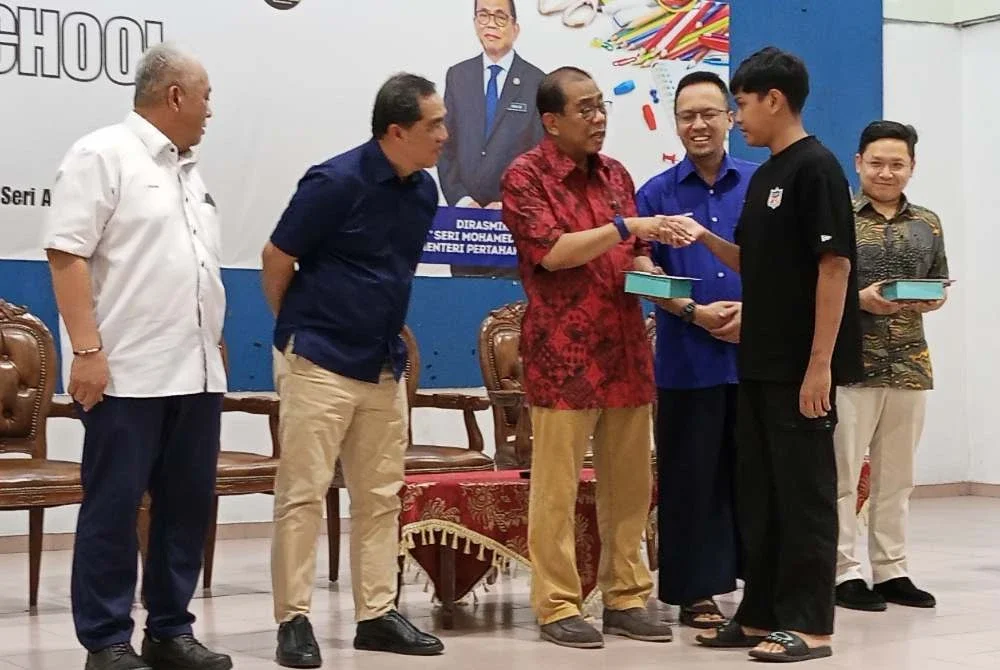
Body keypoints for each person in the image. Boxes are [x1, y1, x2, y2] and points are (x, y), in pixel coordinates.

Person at [661, 47, 863, 663]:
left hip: (801, 367)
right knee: (761, 493)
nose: (735, 117)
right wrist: (704, 238)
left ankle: (810, 625)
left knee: (803, 495)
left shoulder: (816, 168)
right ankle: (760, 614)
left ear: (773, 100)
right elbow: (759, 264)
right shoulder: (768, 175)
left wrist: (820, 365)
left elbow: (835, 266)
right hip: (757, 364)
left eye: (740, 105)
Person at [43, 44, 232, 670]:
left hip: (197, 372)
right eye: (205, 96)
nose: (210, 109)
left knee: (185, 508)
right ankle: (106, 640)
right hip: (128, 372)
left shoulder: (189, 170)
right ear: (175, 95)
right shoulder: (103, 154)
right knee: (114, 508)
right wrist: (88, 350)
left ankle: (171, 632)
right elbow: (67, 254)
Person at [262, 73, 447, 668]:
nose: (446, 134)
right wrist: (302, 332)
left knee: (381, 495)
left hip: (382, 364)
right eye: (434, 125)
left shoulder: (424, 192)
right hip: (319, 358)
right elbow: (277, 258)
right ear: (397, 131)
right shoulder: (333, 182)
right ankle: (293, 618)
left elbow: (393, 274)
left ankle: (377, 613)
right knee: (303, 494)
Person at [500, 66, 674, 650]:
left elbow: (637, 253)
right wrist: (624, 224)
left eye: (602, 107)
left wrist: (657, 275)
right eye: (586, 109)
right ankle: (556, 604)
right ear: (551, 121)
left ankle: (626, 595)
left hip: (626, 349)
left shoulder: (617, 174)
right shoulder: (525, 177)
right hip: (563, 356)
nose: (599, 119)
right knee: (557, 487)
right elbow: (552, 254)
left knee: (629, 485)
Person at [635, 70, 757, 628]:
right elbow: (641, 273)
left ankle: (760, 582)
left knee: (755, 476)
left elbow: (784, 266)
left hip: (756, 359)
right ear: (676, 123)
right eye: (688, 116)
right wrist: (692, 312)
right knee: (690, 476)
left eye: (710, 113)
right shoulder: (655, 194)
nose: (699, 124)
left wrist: (752, 313)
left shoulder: (762, 184)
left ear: (731, 118)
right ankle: (695, 591)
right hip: (687, 359)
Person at [834, 121, 947, 612]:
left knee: (897, 477)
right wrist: (857, 299)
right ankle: (841, 572)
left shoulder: (928, 221)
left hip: (909, 362)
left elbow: (939, 280)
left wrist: (932, 299)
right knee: (840, 475)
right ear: (858, 163)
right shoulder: (836, 215)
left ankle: (892, 570)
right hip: (850, 361)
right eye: (876, 162)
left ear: (912, 168)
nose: (886, 172)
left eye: (896, 164)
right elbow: (814, 285)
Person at [439, 0, 544, 277]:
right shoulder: (458, 75)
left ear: (515, 28)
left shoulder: (538, 82)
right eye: (483, 15)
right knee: (464, 306)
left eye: (500, 17)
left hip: (515, 222)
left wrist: (511, 202)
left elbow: (542, 156)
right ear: (475, 23)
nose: (490, 24)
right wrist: (462, 200)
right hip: (466, 225)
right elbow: (444, 146)